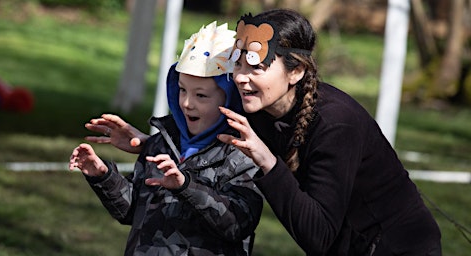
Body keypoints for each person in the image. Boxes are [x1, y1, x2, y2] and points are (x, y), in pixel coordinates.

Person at [90, 9, 443, 256]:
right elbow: (205, 144)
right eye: (238, 64)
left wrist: (266, 161)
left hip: (397, 246)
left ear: (296, 72)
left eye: (255, 66)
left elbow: (318, 235)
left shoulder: (337, 124)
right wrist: (147, 144)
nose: (241, 77)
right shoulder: (252, 103)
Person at [69, 21, 263, 256]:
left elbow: (236, 225)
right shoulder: (164, 141)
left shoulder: (242, 151)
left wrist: (185, 186)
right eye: (182, 90)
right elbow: (131, 211)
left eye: (201, 95)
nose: (187, 103)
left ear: (229, 98)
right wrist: (103, 176)